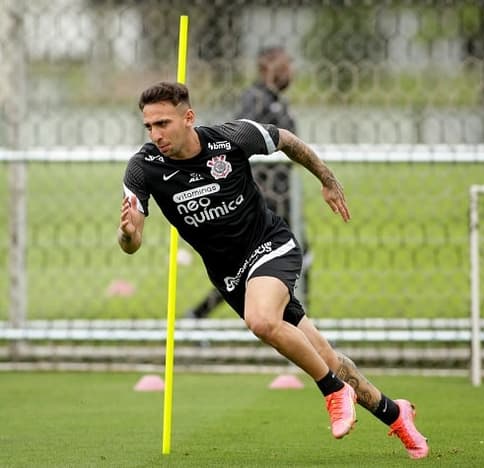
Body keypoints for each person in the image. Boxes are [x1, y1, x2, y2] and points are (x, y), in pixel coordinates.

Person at [118, 81, 429, 459]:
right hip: (230, 275)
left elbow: (286, 140)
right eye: (149, 126)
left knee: (262, 321)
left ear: (188, 117)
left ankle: (333, 391)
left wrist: (327, 180)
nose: (156, 134)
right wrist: (129, 234)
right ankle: (396, 414)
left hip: (270, 245)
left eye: (163, 123)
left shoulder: (230, 138)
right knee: (327, 358)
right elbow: (131, 241)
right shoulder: (143, 167)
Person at [185, 45, 310, 319]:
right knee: (249, 266)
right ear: (267, 66)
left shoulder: (276, 100)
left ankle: (300, 324)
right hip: (264, 198)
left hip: (282, 194)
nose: (291, 71)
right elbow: (239, 147)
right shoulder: (255, 101)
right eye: (285, 64)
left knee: (294, 257)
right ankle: (197, 315)